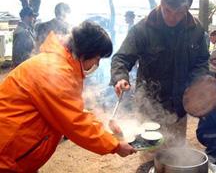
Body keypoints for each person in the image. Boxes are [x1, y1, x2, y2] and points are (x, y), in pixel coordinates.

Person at [0, 21, 136, 172]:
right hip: (6, 156)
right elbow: (75, 122)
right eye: (97, 58)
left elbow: (71, 110)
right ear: (85, 53)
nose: (97, 64)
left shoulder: (59, 64)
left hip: (15, 154)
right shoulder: (55, 71)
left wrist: (103, 127)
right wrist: (115, 145)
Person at [111, 0, 209, 146]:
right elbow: (121, 58)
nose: (172, 17)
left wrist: (196, 83)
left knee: (175, 153)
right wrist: (120, 77)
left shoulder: (196, 30)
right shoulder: (143, 28)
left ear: (187, 9)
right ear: (161, 3)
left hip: (179, 106)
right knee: (149, 154)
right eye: (167, 11)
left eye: (178, 13)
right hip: (148, 105)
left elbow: (202, 61)